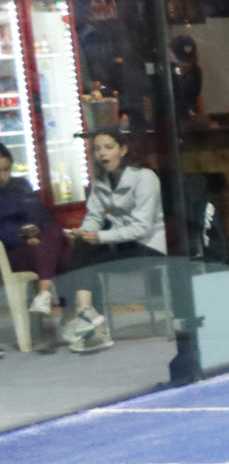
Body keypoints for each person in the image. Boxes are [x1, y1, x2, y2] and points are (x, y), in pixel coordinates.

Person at [59, 128, 166, 353]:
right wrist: (84, 232)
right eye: (97, 149)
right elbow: (94, 216)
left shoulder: (145, 177)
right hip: (120, 240)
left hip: (148, 244)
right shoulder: (100, 180)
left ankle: (89, 321)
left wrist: (99, 236)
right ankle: (87, 313)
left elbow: (142, 227)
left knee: (88, 252)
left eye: (109, 147)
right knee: (83, 246)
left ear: (123, 149)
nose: (102, 154)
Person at [0, 145, 65, 335]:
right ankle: (52, 300)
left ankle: (45, 295)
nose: (3, 176)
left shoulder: (20, 186)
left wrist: (32, 231)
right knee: (61, 255)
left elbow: (41, 217)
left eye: (6, 170)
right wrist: (21, 234)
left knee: (56, 236)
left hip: (35, 244)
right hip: (9, 252)